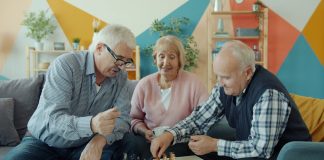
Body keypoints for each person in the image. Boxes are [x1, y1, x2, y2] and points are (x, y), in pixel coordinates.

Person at [150, 40, 311, 160]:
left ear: (247, 73)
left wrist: (215, 145)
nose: (219, 82)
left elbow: (260, 149)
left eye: (225, 77)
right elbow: (199, 119)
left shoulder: (268, 94)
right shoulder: (227, 87)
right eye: (218, 76)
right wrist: (169, 135)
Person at [5, 24, 137, 160]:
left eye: (126, 61)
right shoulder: (66, 65)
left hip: (85, 143)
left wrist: (99, 140)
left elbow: (123, 119)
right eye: (119, 59)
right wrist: (92, 124)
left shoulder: (121, 77)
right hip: (43, 142)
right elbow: (54, 119)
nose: (122, 67)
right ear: (99, 49)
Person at [121, 35, 208, 159]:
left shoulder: (194, 83)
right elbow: (133, 119)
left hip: (182, 143)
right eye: (161, 56)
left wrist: (171, 136)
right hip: (149, 143)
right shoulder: (144, 84)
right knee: (132, 142)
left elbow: (204, 118)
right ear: (155, 59)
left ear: (179, 60)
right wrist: (144, 131)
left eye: (172, 57)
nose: (165, 62)